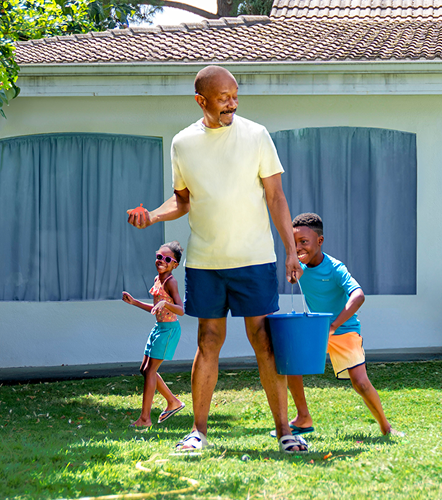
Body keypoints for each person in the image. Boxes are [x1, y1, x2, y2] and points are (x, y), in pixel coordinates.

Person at [126, 65, 307, 453]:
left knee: (264, 342)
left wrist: (291, 249)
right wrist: (153, 216)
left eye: (235, 95)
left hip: (254, 259)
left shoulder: (256, 135)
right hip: (205, 262)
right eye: (223, 97)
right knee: (208, 341)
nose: (232, 102)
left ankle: (284, 432)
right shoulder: (183, 144)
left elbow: (276, 197)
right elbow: (182, 199)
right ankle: (198, 432)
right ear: (201, 101)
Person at [280, 212, 404, 437]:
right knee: (292, 364)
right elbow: (293, 277)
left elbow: (358, 295)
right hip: (316, 329)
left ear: (320, 241)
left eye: (304, 242)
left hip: (343, 330)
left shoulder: (336, 268)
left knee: (360, 383)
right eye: (295, 242)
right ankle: (303, 418)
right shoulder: (299, 265)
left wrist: (334, 325)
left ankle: (386, 427)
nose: (299, 248)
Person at [122, 241, 186, 428]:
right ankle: (173, 402)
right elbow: (156, 309)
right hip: (158, 328)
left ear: (174, 264)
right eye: (159, 256)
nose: (161, 261)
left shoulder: (170, 281)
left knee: (151, 371)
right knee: (145, 369)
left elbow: (181, 309)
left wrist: (165, 304)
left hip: (168, 331)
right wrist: (135, 303)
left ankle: (145, 419)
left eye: (167, 259)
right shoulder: (158, 279)